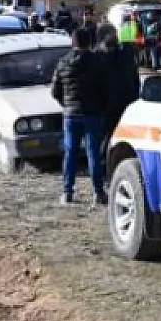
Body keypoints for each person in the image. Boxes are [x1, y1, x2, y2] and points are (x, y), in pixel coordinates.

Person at [50, 27, 108, 206]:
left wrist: (66, 104)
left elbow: (55, 91)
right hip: (92, 113)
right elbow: (104, 88)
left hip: (71, 114)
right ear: (89, 42)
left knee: (70, 154)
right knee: (93, 154)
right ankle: (98, 192)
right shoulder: (98, 61)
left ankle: (67, 192)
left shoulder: (63, 62)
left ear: (73, 42)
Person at [97, 24, 139, 150]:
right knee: (110, 138)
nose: (116, 36)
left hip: (118, 104)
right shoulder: (103, 55)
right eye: (113, 33)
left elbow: (135, 77)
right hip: (112, 105)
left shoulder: (100, 55)